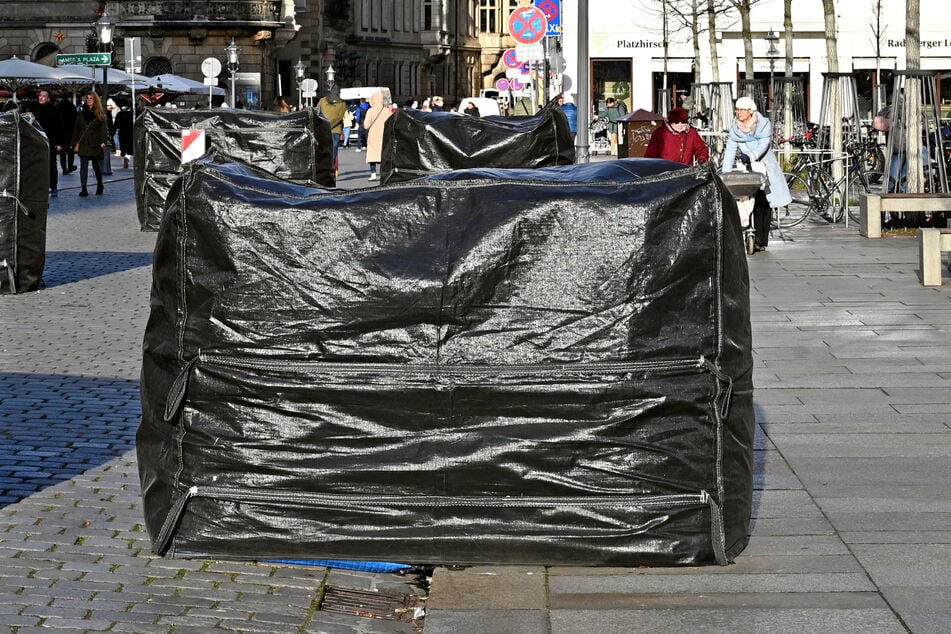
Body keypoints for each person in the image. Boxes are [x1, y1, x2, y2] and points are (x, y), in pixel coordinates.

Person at [721, 96, 791, 252]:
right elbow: (731, 150)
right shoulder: (735, 128)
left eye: (741, 109)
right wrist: (725, 174)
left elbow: (764, 144)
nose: (738, 112)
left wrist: (751, 155)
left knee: (764, 201)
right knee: (747, 198)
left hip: (765, 166)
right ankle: (748, 229)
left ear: (750, 111)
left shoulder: (763, 124)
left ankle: (761, 239)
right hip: (748, 168)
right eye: (737, 109)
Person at [25, 89, 66, 198]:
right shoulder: (33, 110)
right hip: (35, 142)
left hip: (50, 142)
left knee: (51, 165)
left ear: (48, 98)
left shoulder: (54, 110)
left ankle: (53, 187)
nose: (41, 98)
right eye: (40, 95)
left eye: (44, 96)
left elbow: (60, 128)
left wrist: (59, 143)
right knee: (36, 165)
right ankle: (38, 187)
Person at [70, 92, 109, 197]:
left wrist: (103, 141)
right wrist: (73, 142)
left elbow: (103, 130)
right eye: (87, 98)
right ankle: (84, 189)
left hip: (95, 143)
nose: (89, 100)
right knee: (83, 166)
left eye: (91, 98)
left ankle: (100, 184)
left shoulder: (100, 114)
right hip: (84, 143)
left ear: (95, 100)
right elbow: (76, 129)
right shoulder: (81, 113)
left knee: (96, 166)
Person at [644, 107, 709, 165]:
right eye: (676, 122)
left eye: (683, 122)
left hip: (686, 171)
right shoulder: (660, 133)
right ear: (671, 122)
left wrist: (702, 159)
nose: (680, 125)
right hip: (665, 171)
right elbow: (651, 155)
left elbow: (701, 148)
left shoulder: (692, 132)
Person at [363, 90, 393, 181]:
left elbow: (366, 125)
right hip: (385, 136)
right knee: (383, 155)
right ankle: (384, 173)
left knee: (373, 156)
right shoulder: (387, 111)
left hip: (373, 136)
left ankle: (373, 174)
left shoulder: (370, 111)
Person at [317, 84, 347, 172]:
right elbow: (340, 117)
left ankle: (323, 169)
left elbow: (317, 113)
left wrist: (324, 124)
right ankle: (331, 169)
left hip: (323, 129)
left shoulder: (322, 100)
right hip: (335, 130)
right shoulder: (342, 103)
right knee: (333, 151)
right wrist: (331, 124)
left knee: (323, 150)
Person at [56, 95, 78, 175]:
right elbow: (76, 120)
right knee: (70, 151)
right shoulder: (72, 107)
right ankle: (70, 167)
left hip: (60, 132)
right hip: (70, 132)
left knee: (62, 152)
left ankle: (64, 169)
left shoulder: (58, 107)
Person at [113, 99, 134, 169]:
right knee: (129, 148)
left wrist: (113, 132)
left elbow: (116, 124)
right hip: (130, 133)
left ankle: (126, 158)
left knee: (124, 147)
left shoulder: (120, 114)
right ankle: (127, 158)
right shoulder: (132, 114)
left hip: (122, 133)